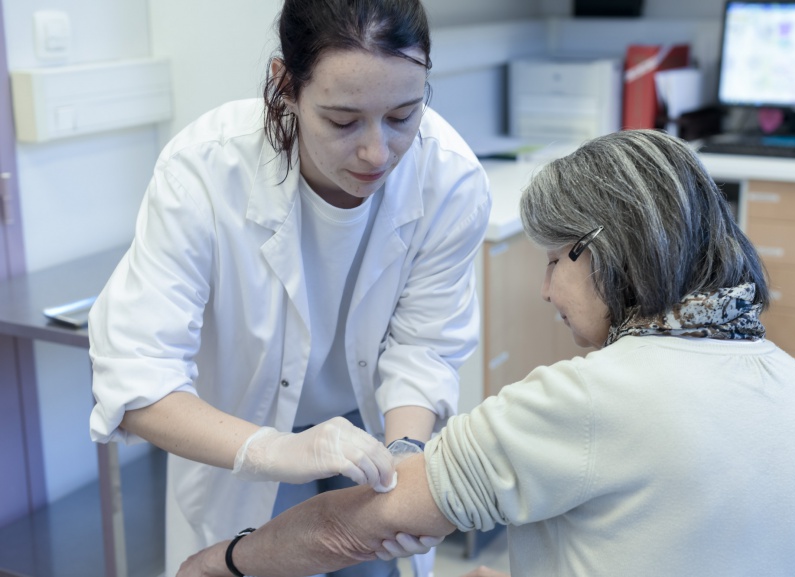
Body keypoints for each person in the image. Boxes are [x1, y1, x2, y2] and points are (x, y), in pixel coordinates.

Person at [176, 129, 795, 577]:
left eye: (553, 259)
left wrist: (221, 560)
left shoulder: (590, 397)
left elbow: (350, 530)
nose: (545, 288)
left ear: (602, 251)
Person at [88, 1, 492, 576]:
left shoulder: (448, 179)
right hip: (241, 432)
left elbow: (424, 347)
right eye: (343, 120)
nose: (377, 153)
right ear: (285, 85)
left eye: (404, 115)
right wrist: (276, 450)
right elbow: (136, 380)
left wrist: (404, 454)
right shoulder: (204, 172)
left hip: (374, 426)